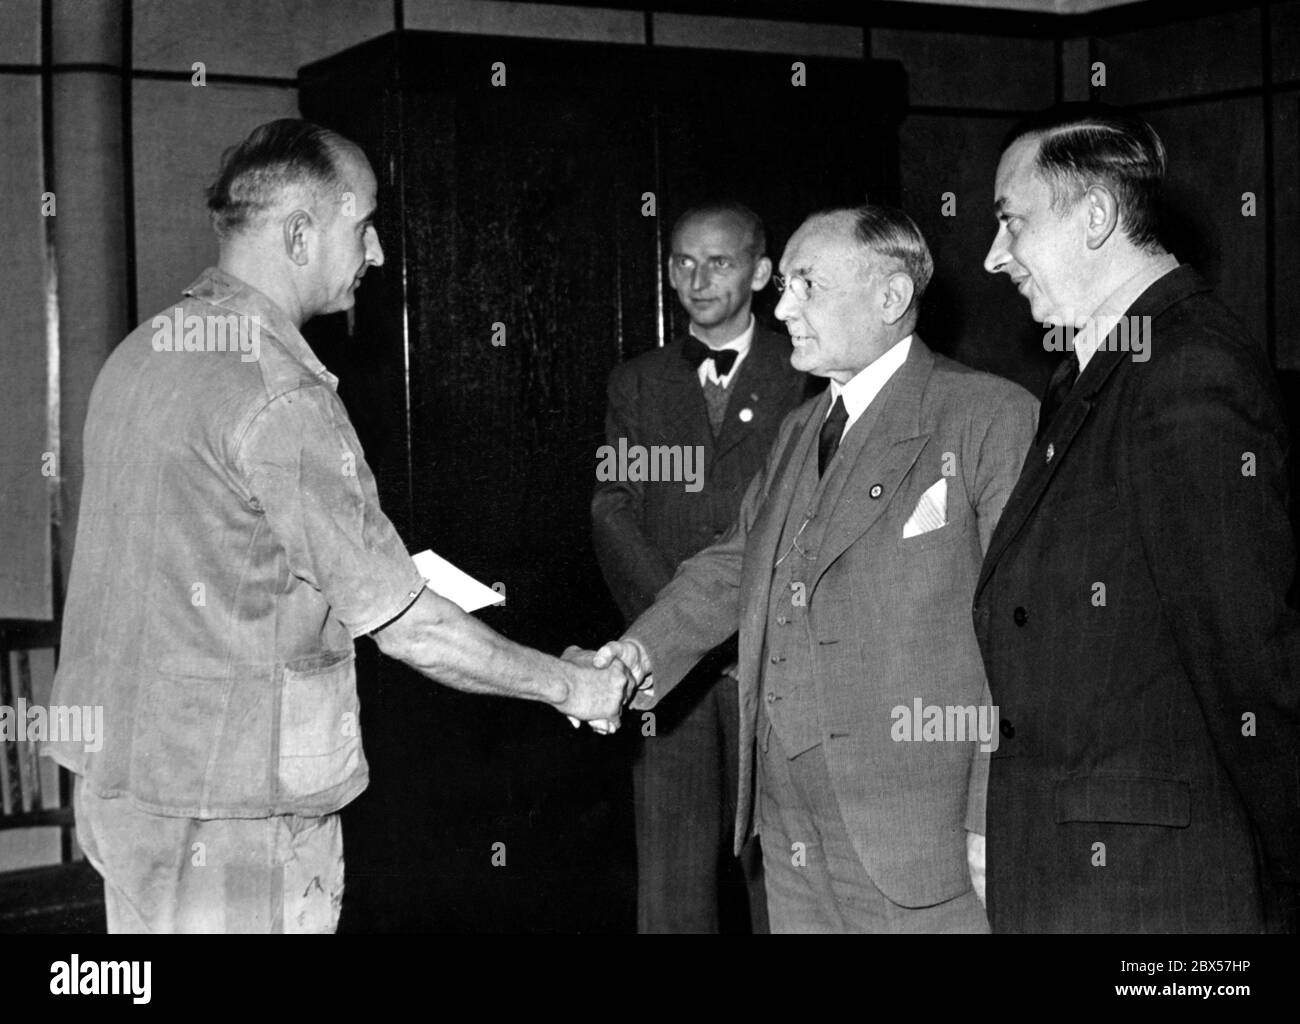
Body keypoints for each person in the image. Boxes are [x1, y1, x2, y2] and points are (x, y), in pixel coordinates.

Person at [43, 119, 630, 934]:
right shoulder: (282, 395)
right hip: (235, 810)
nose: (379, 253)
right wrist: (575, 686)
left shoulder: (142, 352)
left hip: (125, 785)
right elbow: (410, 629)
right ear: (298, 232)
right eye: (364, 225)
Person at [581, 205, 1037, 932]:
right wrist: (633, 657)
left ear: (890, 298)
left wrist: (993, 813)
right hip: (790, 826)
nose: (782, 306)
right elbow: (733, 566)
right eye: (784, 283)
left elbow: (1026, 638)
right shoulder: (801, 428)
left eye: (806, 285)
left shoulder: (988, 416)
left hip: (922, 836)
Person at [975, 103, 1300, 932]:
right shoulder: (1106, 361)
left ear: (1095, 217)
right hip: (1086, 870)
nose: (992, 257)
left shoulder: (1188, 369)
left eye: (1012, 223)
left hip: (1155, 889)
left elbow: (1248, 658)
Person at [592, 202, 811, 933]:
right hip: (671, 671)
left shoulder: (807, 367)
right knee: (673, 879)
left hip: (777, 662)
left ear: (761, 271)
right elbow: (611, 510)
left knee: (782, 872)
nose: (697, 278)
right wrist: (682, 628)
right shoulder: (638, 382)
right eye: (683, 261)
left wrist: (745, 627)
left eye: (718, 262)